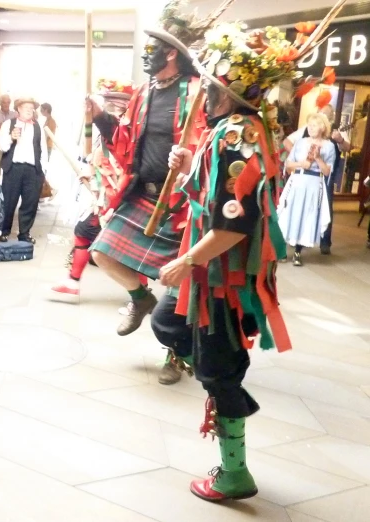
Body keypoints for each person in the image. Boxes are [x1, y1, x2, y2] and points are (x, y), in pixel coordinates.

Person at [156, 15, 345, 499]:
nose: (201, 90)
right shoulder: (240, 128)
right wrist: (185, 166)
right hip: (215, 276)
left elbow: (233, 225)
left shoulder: (236, 134)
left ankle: (234, 472)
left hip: (224, 278)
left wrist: (186, 262)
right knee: (170, 326)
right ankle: (206, 369)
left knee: (219, 372)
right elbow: (212, 196)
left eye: (208, 84)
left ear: (225, 91)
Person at [87, 2, 207, 340]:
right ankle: (140, 299)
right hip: (143, 194)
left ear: (170, 53)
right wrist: (99, 116)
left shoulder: (196, 91)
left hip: (181, 204)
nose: (145, 54)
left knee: (178, 286)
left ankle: (177, 355)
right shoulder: (143, 92)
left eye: (152, 47)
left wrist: (189, 163)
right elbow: (125, 144)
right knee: (101, 252)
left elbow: (208, 147)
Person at [50, 80, 134, 302]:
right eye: (108, 103)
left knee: (129, 247)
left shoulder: (125, 131)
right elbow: (99, 158)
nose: (110, 108)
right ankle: (72, 282)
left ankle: (140, 296)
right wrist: (90, 170)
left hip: (120, 197)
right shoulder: (107, 131)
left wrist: (105, 188)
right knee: (84, 231)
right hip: (106, 197)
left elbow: (120, 165)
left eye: (115, 104)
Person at [282, 101, 350, 256]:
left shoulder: (335, 135)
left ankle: (323, 241)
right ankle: (291, 243)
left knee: (321, 208)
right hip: (300, 178)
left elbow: (347, 148)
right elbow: (287, 146)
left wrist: (338, 140)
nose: (322, 115)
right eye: (321, 112)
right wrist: (300, 160)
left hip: (320, 179)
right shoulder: (303, 135)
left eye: (325, 114)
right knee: (293, 210)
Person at [278, 112, 336, 266]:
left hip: (314, 183)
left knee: (306, 215)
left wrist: (317, 158)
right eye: (309, 125)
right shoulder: (301, 142)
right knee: (289, 212)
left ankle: (298, 251)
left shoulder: (329, 146)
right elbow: (288, 164)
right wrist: (300, 164)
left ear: (322, 127)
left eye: (314, 125)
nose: (310, 128)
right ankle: (282, 249)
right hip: (298, 180)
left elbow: (327, 171)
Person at [0, 96, 48, 244]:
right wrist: (11, 137)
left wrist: (42, 170)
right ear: (18, 109)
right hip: (13, 168)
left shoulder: (37, 126)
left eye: (31, 109)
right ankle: (4, 231)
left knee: (30, 203)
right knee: (9, 202)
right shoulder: (8, 124)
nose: (29, 111)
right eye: (26, 108)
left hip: (32, 170)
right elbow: (1, 146)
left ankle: (24, 233)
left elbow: (43, 149)